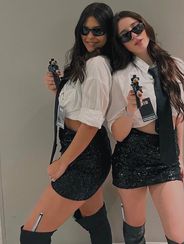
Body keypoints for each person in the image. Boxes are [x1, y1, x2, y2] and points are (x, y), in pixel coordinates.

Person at [20, 3, 113, 244]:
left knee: (32, 235)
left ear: (108, 34)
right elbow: (79, 109)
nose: (89, 37)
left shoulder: (97, 65)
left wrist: (63, 163)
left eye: (98, 31)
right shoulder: (84, 62)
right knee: (96, 220)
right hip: (84, 150)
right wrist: (59, 89)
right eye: (85, 30)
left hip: (85, 155)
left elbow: (92, 124)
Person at [107, 11, 184, 244]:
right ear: (121, 44)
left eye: (137, 28)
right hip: (132, 154)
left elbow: (179, 117)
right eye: (126, 35)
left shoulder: (177, 66)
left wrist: (180, 156)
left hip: (166, 152)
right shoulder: (120, 77)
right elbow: (118, 133)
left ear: (145, 26)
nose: (134, 36)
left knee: (179, 235)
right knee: (135, 229)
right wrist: (129, 110)